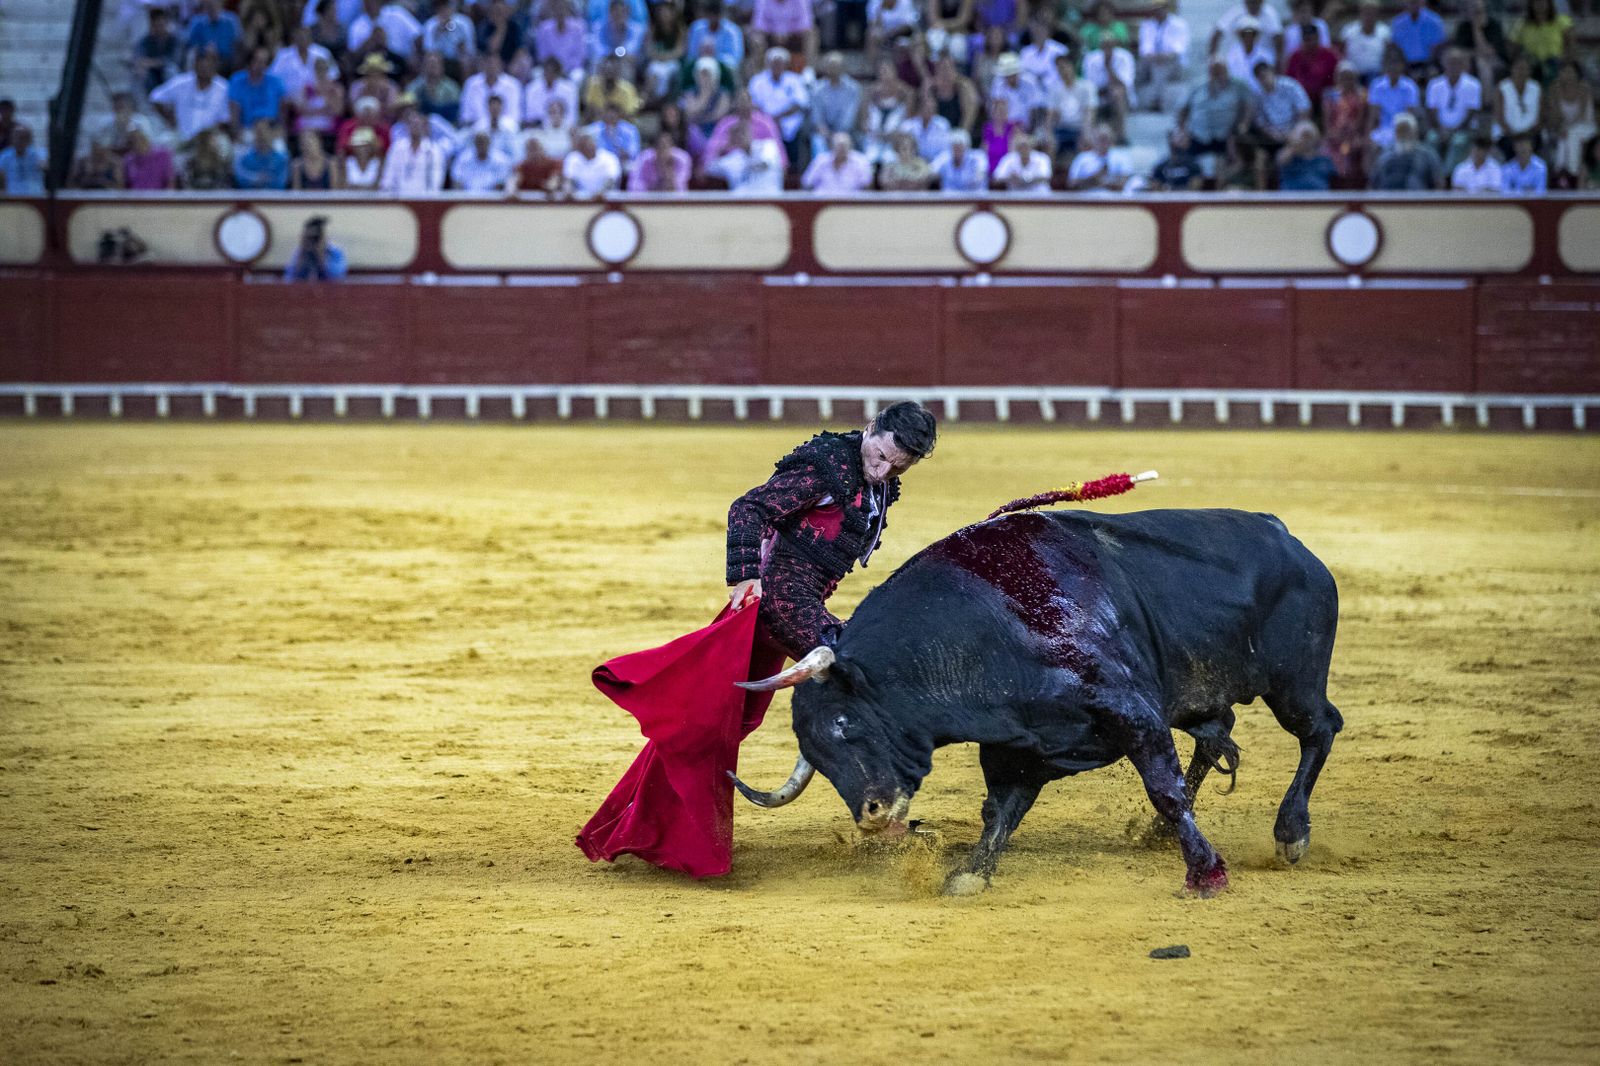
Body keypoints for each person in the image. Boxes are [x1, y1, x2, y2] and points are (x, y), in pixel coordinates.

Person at [724, 401, 937, 659]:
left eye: (898, 467)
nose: (883, 473)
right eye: (881, 456)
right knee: (854, 663)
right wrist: (747, 577)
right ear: (870, 428)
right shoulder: (828, 466)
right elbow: (748, 508)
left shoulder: (874, 479)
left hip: (806, 601)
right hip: (782, 601)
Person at [708, 121, 785, 193]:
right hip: (741, 203)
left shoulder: (767, 146)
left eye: (742, 133)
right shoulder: (733, 158)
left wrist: (747, 166)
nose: (740, 137)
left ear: (750, 133)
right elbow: (710, 169)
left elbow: (764, 164)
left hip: (769, 199)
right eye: (735, 135)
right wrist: (720, 150)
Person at [1369, 112, 1441, 189]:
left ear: (1415, 132)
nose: (1404, 134)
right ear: (1395, 133)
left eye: (1406, 130)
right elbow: (1374, 183)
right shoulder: (1385, 156)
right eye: (1400, 130)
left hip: (1418, 198)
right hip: (1388, 198)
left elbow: (1438, 183)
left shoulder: (1427, 155)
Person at [802, 131, 873, 190]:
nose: (841, 149)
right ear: (831, 146)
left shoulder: (861, 161)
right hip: (822, 202)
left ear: (851, 146)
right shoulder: (820, 160)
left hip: (851, 204)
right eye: (839, 145)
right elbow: (807, 182)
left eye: (844, 145)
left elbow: (866, 185)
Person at [1339, 0, 1390, 81]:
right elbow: (1342, 53)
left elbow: (1388, 56)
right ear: (1360, 13)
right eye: (1366, 12)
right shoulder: (1348, 31)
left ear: (1377, 14)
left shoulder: (1385, 32)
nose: (1369, 16)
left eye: (1372, 13)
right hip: (1353, 77)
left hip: (1376, 75)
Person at [284, 216, 348, 281]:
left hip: (329, 290)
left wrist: (321, 255)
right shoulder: (300, 252)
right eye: (310, 237)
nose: (313, 240)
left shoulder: (335, 252)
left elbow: (337, 278)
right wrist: (302, 253)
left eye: (316, 237)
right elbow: (289, 278)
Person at [1276, 120, 1334, 190]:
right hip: (1291, 197)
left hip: (1319, 197)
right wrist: (1295, 146)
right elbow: (1281, 161)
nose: (1306, 140)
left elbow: (1335, 174)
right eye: (1303, 137)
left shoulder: (1323, 159)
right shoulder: (1287, 156)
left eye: (1309, 137)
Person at [233, 119, 291, 189]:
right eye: (258, 132)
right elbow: (240, 180)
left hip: (275, 198)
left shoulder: (282, 159)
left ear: (272, 135)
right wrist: (256, 178)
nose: (261, 136)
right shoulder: (245, 159)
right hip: (250, 197)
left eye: (264, 132)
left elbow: (281, 183)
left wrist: (263, 181)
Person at [562, 129, 622, 196]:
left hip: (607, 198)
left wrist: (601, 193)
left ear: (595, 144)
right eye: (582, 145)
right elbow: (569, 180)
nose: (587, 147)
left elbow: (611, 181)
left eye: (588, 144)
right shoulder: (572, 158)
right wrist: (568, 190)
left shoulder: (609, 158)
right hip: (582, 199)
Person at [0, 124, 46, 195]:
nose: (19, 141)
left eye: (23, 138)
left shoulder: (39, 153)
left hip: (36, 196)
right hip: (13, 197)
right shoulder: (4, 156)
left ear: (29, 139)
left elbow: (45, 167)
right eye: (16, 137)